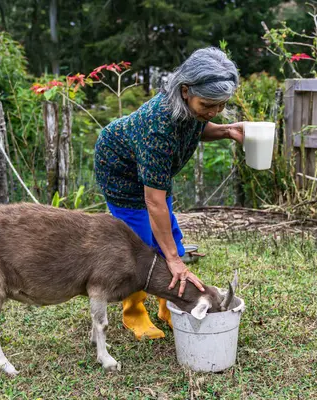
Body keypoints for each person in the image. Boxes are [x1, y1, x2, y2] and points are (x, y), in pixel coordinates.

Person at [94, 47, 244, 340]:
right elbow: (154, 201)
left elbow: (198, 128)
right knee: (138, 247)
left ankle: (172, 303)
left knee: (171, 238)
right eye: (208, 104)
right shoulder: (158, 129)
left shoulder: (189, 108)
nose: (213, 112)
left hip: (153, 172)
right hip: (120, 173)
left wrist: (227, 130)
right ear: (186, 90)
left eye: (221, 105)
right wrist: (173, 260)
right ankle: (134, 312)